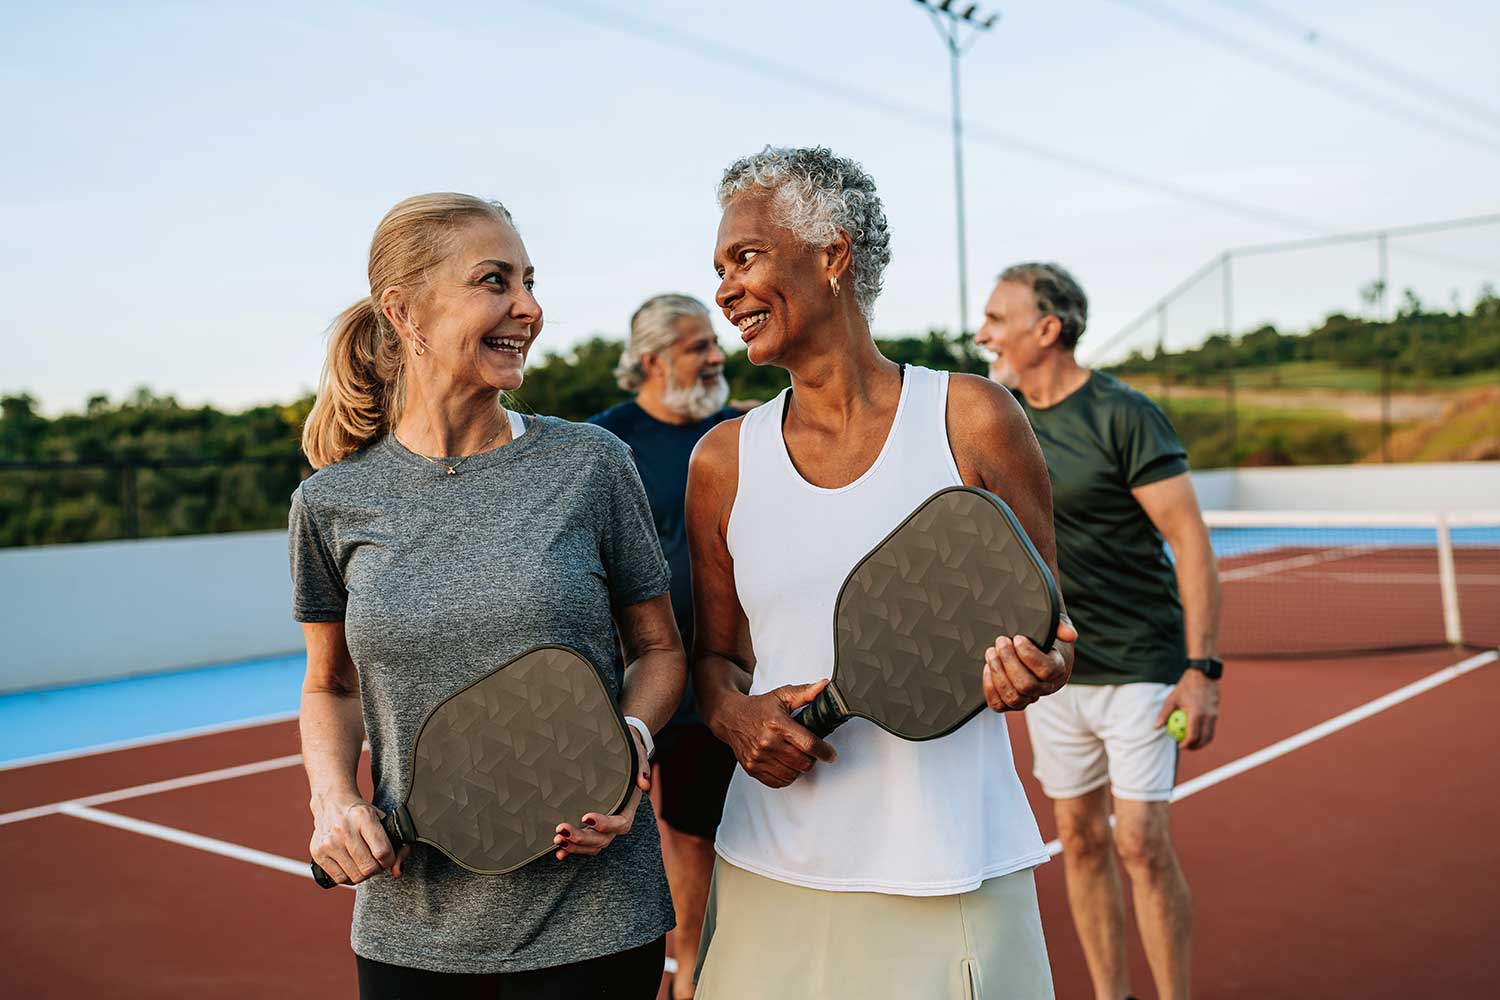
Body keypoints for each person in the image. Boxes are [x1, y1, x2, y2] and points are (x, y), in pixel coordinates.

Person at [685, 147, 1077, 1000]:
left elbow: (1053, 630)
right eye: (719, 270)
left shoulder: (974, 417)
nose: (725, 291)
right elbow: (715, 659)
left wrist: (1038, 670)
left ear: (833, 254)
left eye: (744, 258)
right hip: (769, 869)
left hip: (949, 868)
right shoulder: (721, 460)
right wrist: (733, 717)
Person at [290, 192, 686, 999]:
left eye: (530, 281)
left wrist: (628, 746)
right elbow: (331, 686)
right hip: (410, 929)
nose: (529, 308)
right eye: (495, 281)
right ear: (405, 312)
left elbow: (659, 650)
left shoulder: (591, 464)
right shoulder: (329, 503)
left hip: (594, 920)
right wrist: (332, 798)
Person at [974, 263, 1222, 1000]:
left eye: (997, 319)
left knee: (1140, 842)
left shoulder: (1123, 414)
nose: (983, 334)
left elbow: (1191, 541)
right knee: (1080, 841)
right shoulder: (996, 419)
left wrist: (1201, 670)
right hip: (1054, 670)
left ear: (1047, 329)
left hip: (1145, 665)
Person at [589, 293, 741, 1000]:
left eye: (713, 342)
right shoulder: (602, 444)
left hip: (726, 676)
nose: (715, 355)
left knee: (701, 836)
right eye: (696, 346)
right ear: (651, 360)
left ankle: (693, 981)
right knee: (618, 843)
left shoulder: (745, 432)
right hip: (634, 682)